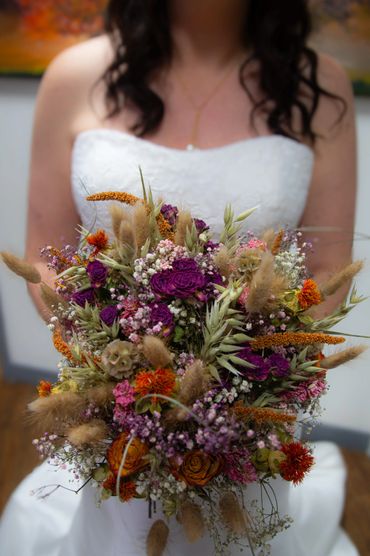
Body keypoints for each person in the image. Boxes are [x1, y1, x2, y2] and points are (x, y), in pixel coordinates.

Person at [0, 1, 359, 555]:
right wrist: (118, 368)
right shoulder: (73, 78)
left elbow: (328, 272)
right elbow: (42, 259)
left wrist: (236, 375)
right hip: (119, 409)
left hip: (248, 412)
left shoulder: (320, 88)